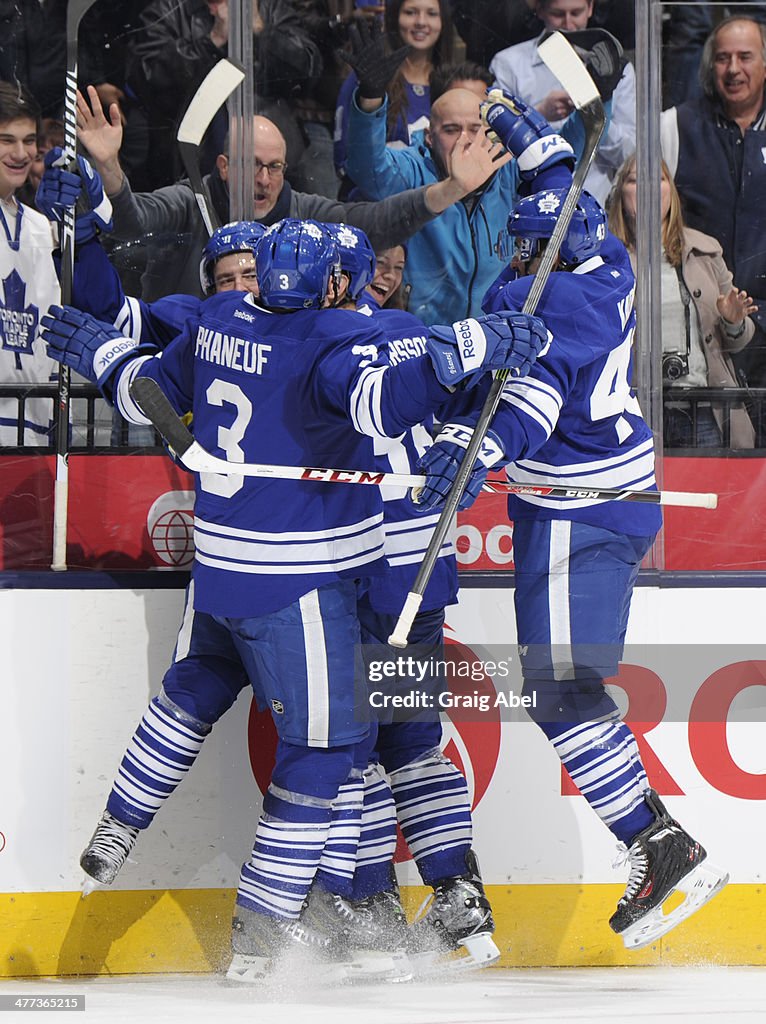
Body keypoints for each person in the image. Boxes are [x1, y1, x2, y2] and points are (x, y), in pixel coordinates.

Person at [41, 216, 548, 978]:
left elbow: (144, 376)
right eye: (227, 275)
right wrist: (476, 383)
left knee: (361, 740)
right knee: (369, 744)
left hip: (354, 572)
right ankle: (407, 899)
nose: (239, 287)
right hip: (378, 572)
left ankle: (380, 901)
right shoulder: (393, 332)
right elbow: (441, 396)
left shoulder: (224, 320)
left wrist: (111, 356)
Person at [413, 157, 729, 947]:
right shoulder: (610, 263)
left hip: (573, 511)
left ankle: (660, 845)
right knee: (565, 685)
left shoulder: (542, 308)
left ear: (527, 255)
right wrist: (534, 144)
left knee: (558, 689)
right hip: (613, 501)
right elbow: (566, 188)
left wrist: (474, 453)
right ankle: (658, 840)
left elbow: (530, 402)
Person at [47, 92, 513, 301]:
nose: (265, 180)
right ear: (225, 167)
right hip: (179, 376)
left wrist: (453, 188)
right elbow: (133, 223)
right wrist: (109, 166)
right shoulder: (194, 203)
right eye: (253, 166)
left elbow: (377, 223)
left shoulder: (303, 211)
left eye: (275, 167)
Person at [343, 71, 580, 324]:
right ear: (429, 137)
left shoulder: (508, 171)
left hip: (490, 338)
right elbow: (367, 167)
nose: (465, 140)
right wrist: (370, 101)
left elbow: (563, 161)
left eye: (475, 129)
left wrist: (597, 99)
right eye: (451, 130)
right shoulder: (412, 170)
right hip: (423, 336)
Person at [607, 153, 757, 449]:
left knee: (708, 493)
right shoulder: (603, 259)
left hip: (705, 410)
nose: (649, 188)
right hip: (634, 412)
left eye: (658, 179)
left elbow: (738, 342)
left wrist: (733, 321)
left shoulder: (706, 251)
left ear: (671, 191)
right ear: (620, 194)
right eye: (636, 180)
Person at [661, 16, 766, 394]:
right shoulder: (673, 127)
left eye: (745, 56)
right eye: (723, 58)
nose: (733, 69)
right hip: (703, 328)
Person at [489, 0, 636, 205]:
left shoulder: (618, 70)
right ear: (539, 10)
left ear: (591, 8)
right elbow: (496, 150)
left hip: (595, 205)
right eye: (557, 14)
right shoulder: (509, 64)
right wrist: (540, 114)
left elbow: (629, 155)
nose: (568, 24)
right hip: (529, 205)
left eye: (576, 13)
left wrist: (593, 109)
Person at [334, 2, 454, 192]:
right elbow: (345, 159)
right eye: (410, 12)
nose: (421, 22)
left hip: (439, 208)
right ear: (393, 18)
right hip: (375, 205)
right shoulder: (370, 78)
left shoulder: (453, 82)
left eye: (432, 13)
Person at [0, 82, 60, 446]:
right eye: (7, 140)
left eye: (29, 140)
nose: (21, 153)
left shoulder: (40, 227)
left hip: (33, 437)